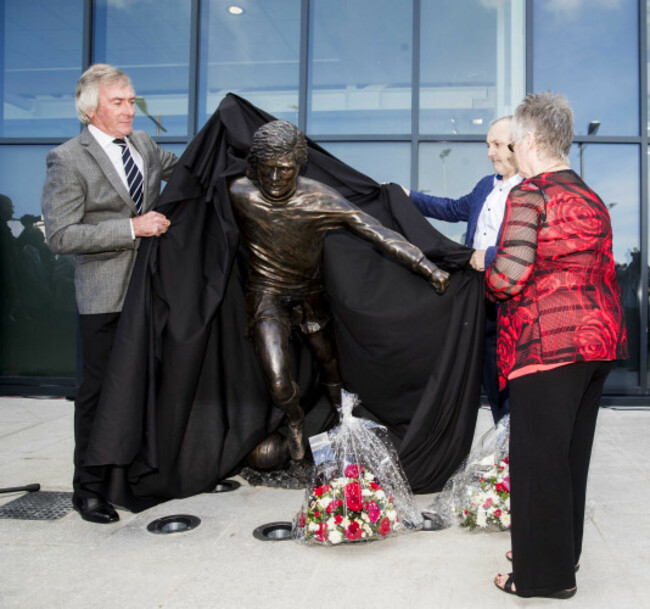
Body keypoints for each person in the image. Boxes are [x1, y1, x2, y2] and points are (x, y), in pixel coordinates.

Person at [229, 119, 450, 463]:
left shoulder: (318, 197)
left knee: (330, 365)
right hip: (265, 293)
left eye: (284, 170)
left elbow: (376, 232)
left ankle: (344, 421)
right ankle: (295, 423)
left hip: (310, 294)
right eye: (267, 169)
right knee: (276, 377)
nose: (274, 179)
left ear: (298, 166)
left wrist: (428, 267)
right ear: (255, 165)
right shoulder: (239, 193)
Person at [487, 92, 627, 599]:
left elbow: (511, 276)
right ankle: (560, 554)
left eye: (511, 144)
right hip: (600, 343)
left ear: (528, 141)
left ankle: (541, 578)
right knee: (569, 457)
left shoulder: (531, 193)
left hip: (548, 343)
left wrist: (485, 272)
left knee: (537, 462)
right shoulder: (589, 194)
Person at [41, 64, 178, 523]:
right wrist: (131, 228)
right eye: (118, 102)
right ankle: (90, 489)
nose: (130, 110)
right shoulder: (68, 158)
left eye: (131, 101)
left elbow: (188, 174)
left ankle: (138, 475)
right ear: (90, 109)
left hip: (150, 293)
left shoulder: (144, 146)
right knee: (99, 394)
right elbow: (60, 236)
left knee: (148, 387)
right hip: (104, 299)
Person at [401, 116, 521, 424]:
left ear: (516, 145)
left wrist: (490, 256)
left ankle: (516, 449)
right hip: (477, 299)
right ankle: (503, 444)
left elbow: (534, 247)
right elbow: (452, 209)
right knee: (489, 381)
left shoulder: (531, 190)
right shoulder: (485, 186)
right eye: (488, 145)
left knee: (513, 385)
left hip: (513, 304)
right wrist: (408, 197)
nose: (490, 152)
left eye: (496, 145)